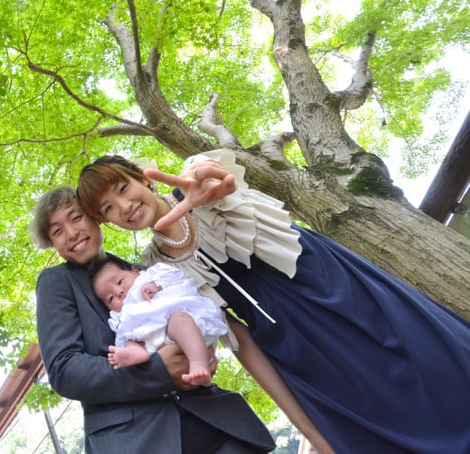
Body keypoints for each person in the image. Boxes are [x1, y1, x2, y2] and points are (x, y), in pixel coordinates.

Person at [76, 150, 470, 453]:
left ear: (143, 177)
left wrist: (208, 182)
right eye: (107, 208)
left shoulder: (194, 184)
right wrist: (311, 430)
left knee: (438, 369)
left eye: (123, 189)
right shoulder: (156, 270)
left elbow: (215, 177)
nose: (123, 207)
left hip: (335, 292)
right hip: (294, 347)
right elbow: (238, 340)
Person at [30, 186, 275, 453]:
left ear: (94, 216)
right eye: (57, 231)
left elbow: (192, 310)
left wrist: (204, 352)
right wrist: (159, 370)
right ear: (51, 243)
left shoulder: (146, 273)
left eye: (76, 217)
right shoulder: (57, 281)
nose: (72, 233)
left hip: (216, 423)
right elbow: (65, 370)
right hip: (136, 439)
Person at [90, 255, 227, 387]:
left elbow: (178, 276)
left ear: (135, 270)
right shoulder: (119, 315)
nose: (118, 291)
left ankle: (198, 364)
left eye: (120, 281)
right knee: (129, 341)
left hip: (182, 326)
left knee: (179, 320)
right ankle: (137, 353)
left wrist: (156, 284)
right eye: (110, 298)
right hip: (155, 344)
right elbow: (122, 333)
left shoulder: (149, 277)